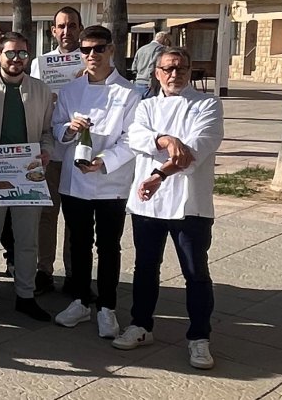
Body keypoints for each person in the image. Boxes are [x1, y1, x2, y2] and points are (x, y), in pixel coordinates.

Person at [113, 46, 224, 371]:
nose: (175, 74)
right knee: (146, 267)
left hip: (189, 203)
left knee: (195, 273)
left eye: (181, 68)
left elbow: (194, 154)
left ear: (190, 71)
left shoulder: (207, 105)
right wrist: (165, 140)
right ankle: (141, 326)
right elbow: (137, 137)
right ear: (157, 73)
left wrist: (160, 172)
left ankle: (199, 338)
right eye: (168, 69)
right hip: (149, 204)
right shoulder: (145, 107)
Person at [50, 26, 141, 337]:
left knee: (108, 247)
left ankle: (107, 307)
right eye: (86, 50)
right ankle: (79, 301)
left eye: (98, 49)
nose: (92, 55)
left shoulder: (130, 93)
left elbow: (133, 139)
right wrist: (70, 129)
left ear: (111, 50)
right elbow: (56, 128)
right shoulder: (70, 90)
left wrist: (105, 162)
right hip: (75, 181)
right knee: (79, 244)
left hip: (110, 183)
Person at [0, 31, 56, 321]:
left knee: (27, 239)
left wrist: (45, 152)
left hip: (28, 175)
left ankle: (25, 295)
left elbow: (46, 132)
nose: (16, 59)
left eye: (22, 54)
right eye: (11, 53)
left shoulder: (41, 90)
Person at [28, 6, 84, 295]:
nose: (66, 32)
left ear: (79, 28)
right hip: (50, 150)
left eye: (72, 26)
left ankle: (74, 274)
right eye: (61, 26)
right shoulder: (41, 64)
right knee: (46, 217)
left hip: (79, 152)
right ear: (53, 31)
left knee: (75, 218)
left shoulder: (89, 62)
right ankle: (44, 271)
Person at [131, 31, 170, 99]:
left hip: (138, 83)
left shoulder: (141, 49)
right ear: (165, 39)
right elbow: (153, 66)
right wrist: (151, 82)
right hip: (150, 84)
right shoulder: (160, 49)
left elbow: (134, 67)